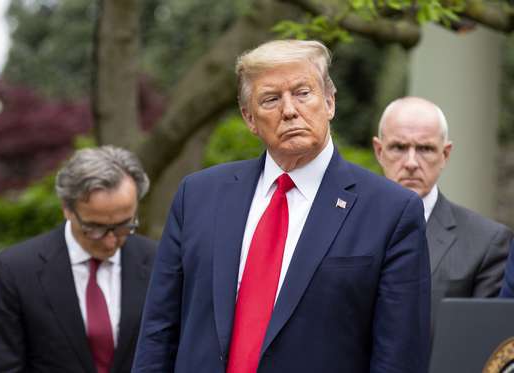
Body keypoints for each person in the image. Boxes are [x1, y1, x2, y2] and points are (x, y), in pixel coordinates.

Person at [132, 39, 430, 373]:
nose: (289, 110)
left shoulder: (390, 211)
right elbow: (159, 329)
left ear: (330, 102)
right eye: (271, 99)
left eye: (303, 93)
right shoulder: (198, 196)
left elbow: (399, 355)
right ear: (249, 118)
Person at [0, 146, 157, 373]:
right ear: (67, 208)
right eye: (95, 228)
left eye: (125, 225)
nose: (110, 241)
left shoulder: (159, 262)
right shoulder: (15, 270)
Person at [373, 96, 513, 327]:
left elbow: (483, 343)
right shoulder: (343, 224)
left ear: (445, 155)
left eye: (425, 149)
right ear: (379, 151)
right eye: (399, 147)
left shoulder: (487, 242)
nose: (411, 162)